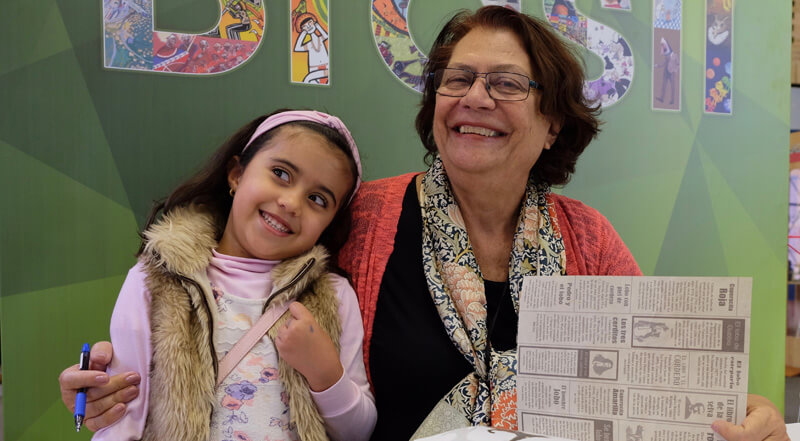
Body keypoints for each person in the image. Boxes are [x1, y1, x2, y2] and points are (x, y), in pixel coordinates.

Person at [59, 6, 788, 441]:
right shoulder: (357, 214)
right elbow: (222, 276)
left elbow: (655, 389)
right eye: (456, 79)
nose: (474, 97)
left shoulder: (587, 238)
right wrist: (118, 381)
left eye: (506, 83)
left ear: (553, 123)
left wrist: (742, 412)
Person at [68, 109, 377, 441]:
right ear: (236, 175)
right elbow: (121, 417)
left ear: (330, 222)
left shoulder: (332, 294)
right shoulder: (156, 279)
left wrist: (326, 373)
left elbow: (359, 431)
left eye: (318, 199)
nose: (291, 202)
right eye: (280, 173)